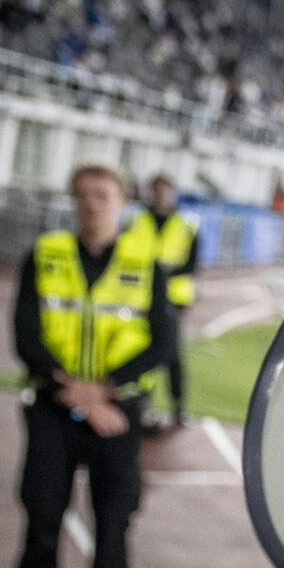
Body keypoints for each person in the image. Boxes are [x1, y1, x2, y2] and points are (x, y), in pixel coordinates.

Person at [0, 164, 174, 568]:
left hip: (118, 419)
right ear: (73, 201)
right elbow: (26, 335)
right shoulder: (46, 256)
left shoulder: (147, 264)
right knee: (41, 529)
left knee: (113, 536)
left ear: (123, 200)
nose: (92, 204)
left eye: (103, 195)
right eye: (83, 195)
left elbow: (160, 344)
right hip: (54, 411)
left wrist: (106, 391)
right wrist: (76, 394)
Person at [130, 174, 199, 427]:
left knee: (171, 352)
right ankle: (142, 404)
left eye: (165, 190)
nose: (161, 196)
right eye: (156, 191)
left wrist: (159, 275)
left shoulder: (186, 224)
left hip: (174, 298)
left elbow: (192, 264)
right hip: (140, 297)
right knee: (140, 347)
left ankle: (178, 408)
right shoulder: (136, 220)